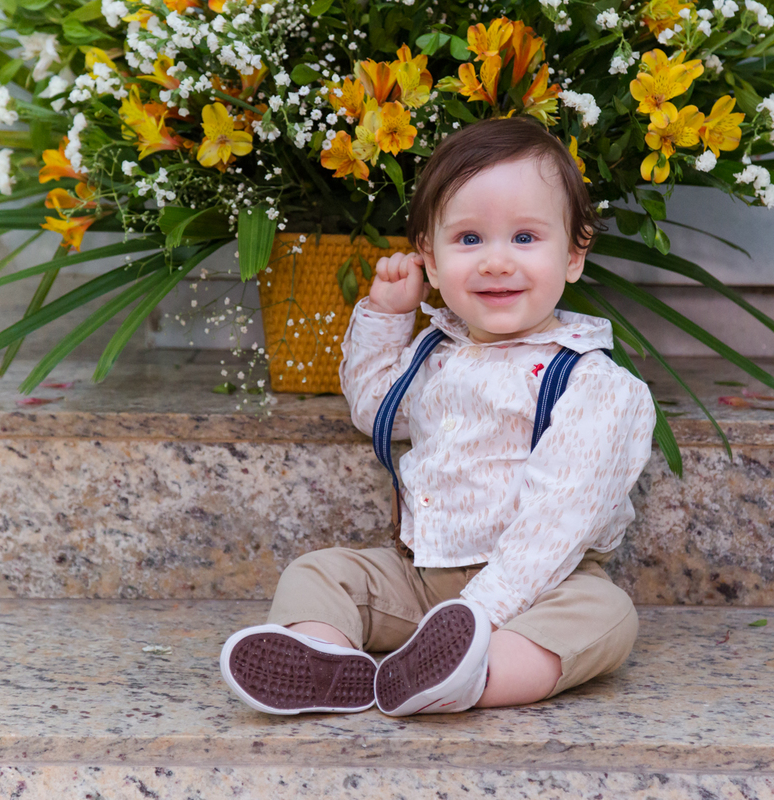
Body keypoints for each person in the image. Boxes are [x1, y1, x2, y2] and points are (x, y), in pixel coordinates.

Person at [220, 116, 656, 717]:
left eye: (525, 238)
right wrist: (385, 317)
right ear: (429, 253)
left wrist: (481, 612)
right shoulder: (435, 354)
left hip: (541, 586)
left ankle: (475, 675)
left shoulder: (594, 384)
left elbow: (560, 520)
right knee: (320, 572)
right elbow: (376, 411)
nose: (496, 262)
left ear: (575, 253)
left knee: (605, 618)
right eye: (469, 239)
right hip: (421, 576)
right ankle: (324, 659)